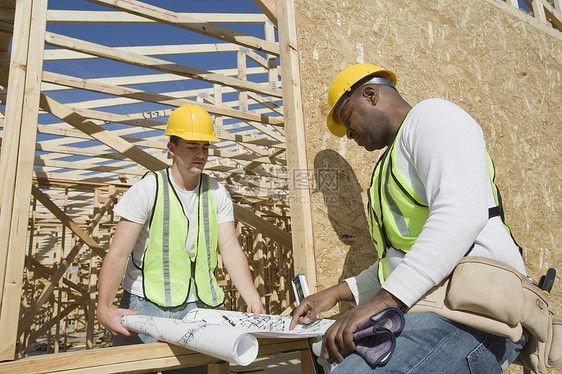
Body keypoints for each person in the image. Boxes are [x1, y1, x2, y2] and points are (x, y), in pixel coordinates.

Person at [290, 64, 528, 373]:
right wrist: (335, 294)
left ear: (371, 95)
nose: (348, 134)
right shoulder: (389, 164)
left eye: (347, 119)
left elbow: (459, 216)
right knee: (329, 356)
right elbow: (403, 258)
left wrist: (382, 301)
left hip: (477, 312)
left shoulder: (433, 117)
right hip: (434, 308)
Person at [97, 104, 263, 354]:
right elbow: (118, 253)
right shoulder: (149, 188)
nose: (201, 154)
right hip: (144, 306)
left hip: (197, 309)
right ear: (171, 149)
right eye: (192, 146)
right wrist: (104, 307)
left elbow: (230, 249)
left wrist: (251, 296)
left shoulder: (217, 193)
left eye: (205, 147)